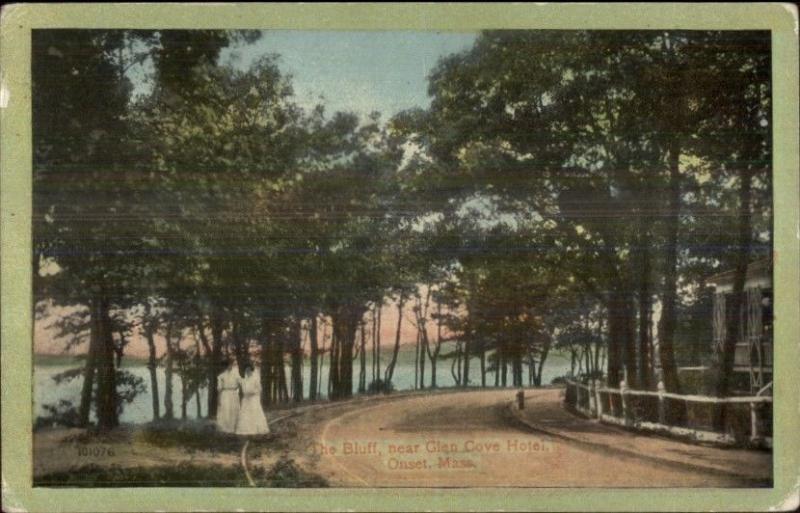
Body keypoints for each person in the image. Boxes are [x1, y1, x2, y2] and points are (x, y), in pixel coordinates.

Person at [235, 363, 270, 436]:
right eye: (246, 370)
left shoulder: (255, 379)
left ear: (251, 370)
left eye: (249, 370)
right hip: (246, 399)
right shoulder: (245, 380)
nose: (248, 372)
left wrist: (253, 392)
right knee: (245, 414)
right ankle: (246, 429)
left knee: (254, 412)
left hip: (253, 398)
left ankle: (256, 428)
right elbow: (243, 388)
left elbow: (259, 389)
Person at [216, 359, 241, 433]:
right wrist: (219, 398)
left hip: (233, 394)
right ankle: (225, 428)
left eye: (231, 365)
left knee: (234, 410)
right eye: (228, 365)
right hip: (225, 394)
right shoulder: (221, 376)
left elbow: (241, 383)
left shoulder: (236, 375)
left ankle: (233, 428)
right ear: (226, 366)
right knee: (226, 410)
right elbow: (219, 388)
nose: (230, 366)